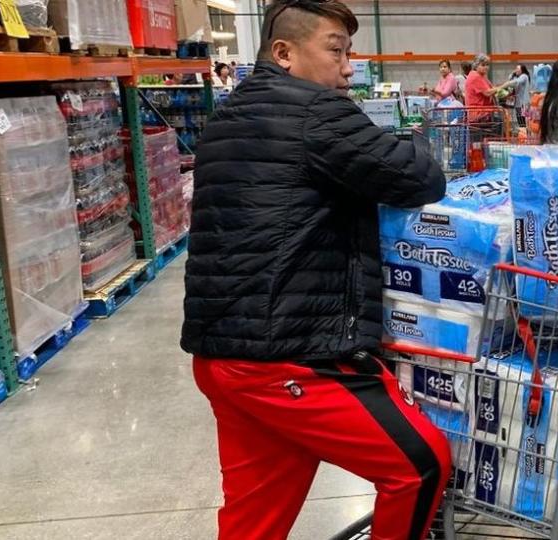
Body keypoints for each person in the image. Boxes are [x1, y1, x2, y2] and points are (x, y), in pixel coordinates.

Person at [181, 1, 451, 539]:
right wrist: (418, 138)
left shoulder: (226, 117)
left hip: (225, 358)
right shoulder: (316, 112)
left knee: (255, 516)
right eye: (336, 50)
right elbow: (420, 179)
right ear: (284, 52)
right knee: (421, 465)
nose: (348, 66)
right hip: (290, 358)